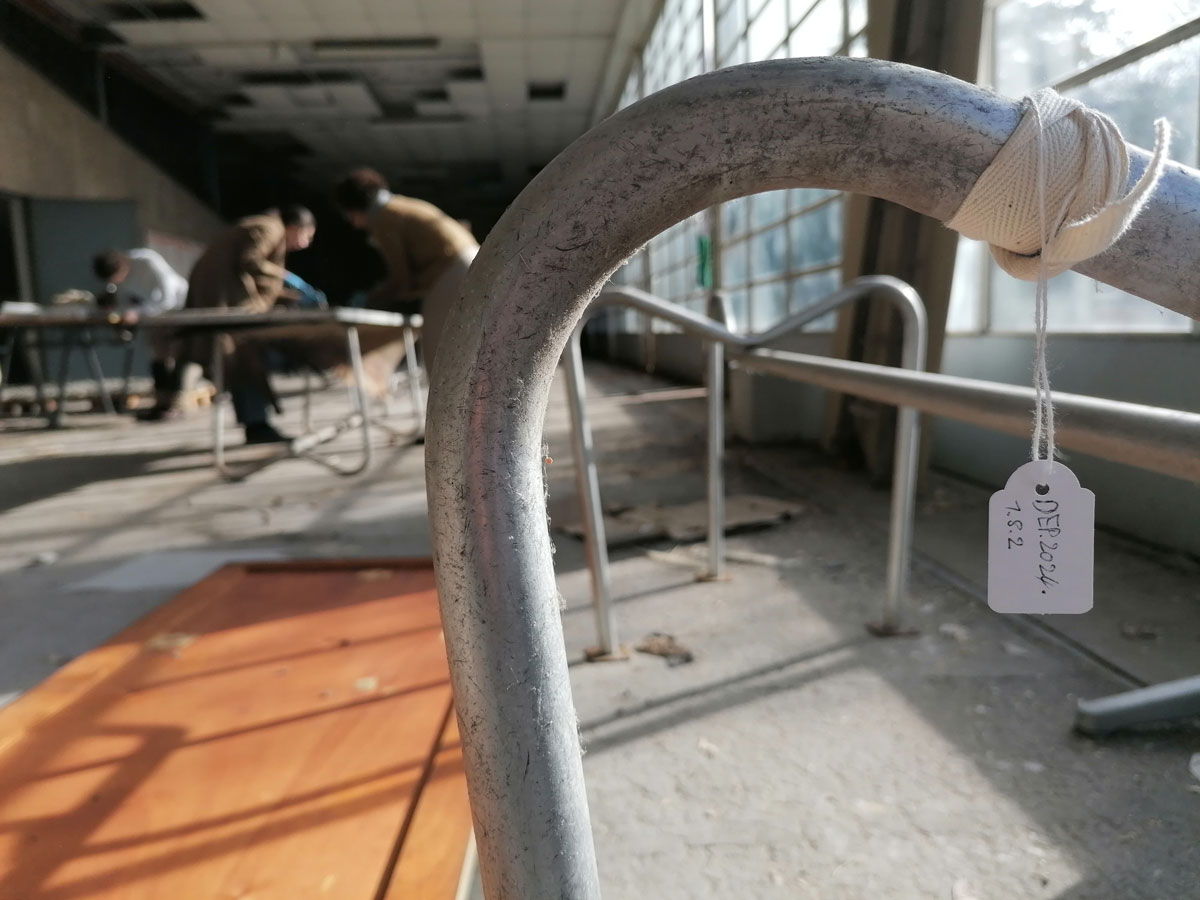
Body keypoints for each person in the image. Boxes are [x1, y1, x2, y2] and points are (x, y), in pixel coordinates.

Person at [150, 205, 317, 440]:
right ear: (296, 227)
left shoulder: (254, 225)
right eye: (307, 236)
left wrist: (289, 295)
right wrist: (286, 277)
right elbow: (251, 261)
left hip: (216, 302)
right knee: (243, 359)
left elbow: (251, 275)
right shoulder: (269, 228)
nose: (306, 243)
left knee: (208, 356)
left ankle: (169, 402)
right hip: (227, 306)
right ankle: (257, 426)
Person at [332, 168, 478, 377]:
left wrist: (368, 300)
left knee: (439, 360)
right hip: (472, 263)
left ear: (353, 209)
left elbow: (401, 280)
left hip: (453, 272)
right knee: (466, 351)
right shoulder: (400, 205)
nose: (353, 224)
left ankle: (452, 410)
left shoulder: (384, 218)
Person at [92, 247, 189, 413]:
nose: (117, 282)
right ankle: (161, 401)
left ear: (121, 267)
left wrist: (138, 313)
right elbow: (125, 303)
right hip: (151, 314)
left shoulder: (147, 260)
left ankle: (175, 400)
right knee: (158, 354)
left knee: (179, 352)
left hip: (178, 306)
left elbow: (168, 298)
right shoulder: (118, 282)